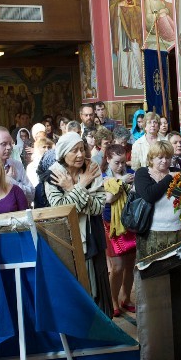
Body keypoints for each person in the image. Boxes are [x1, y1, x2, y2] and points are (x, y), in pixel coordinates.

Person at [45, 133, 112, 316]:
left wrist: (71, 190)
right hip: (66, 239)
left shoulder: (92, 167)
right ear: (63, 153)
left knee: (96, 289)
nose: (80, 154)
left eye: (82, 149)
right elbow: (60, 209)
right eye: (74, 151)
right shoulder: (53, 174)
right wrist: (81, 186)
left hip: (92, 237)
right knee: (74, 288)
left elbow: (98, 207)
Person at [134, 141, 181, 360]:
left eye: (167, 157)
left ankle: (173, 326)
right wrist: (169, 179)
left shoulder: (178, 173)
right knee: (153, 285)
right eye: (160, 157)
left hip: (175, 234)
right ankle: (154, 330)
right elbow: (149, 196)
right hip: (152, 237)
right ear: (151, 158)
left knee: (173, 283)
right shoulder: (143, 174)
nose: (164, 161)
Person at [102, 145, 136, 318]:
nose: (121, 166)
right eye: (117, 162)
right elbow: (108, 198)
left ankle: (126, 298)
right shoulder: (102, 176)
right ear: (108, 159)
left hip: (129, 222)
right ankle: (113, 300)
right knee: (117, 266)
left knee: (130, 265)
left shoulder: (130, 173)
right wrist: (122, 182)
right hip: (112, 225)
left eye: (123, 162)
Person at [0, 126, 34, 202]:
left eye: (10, 143)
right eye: (4, 144)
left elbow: (31, 195)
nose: (9, 147)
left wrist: (11, 182)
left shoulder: (17, 165)